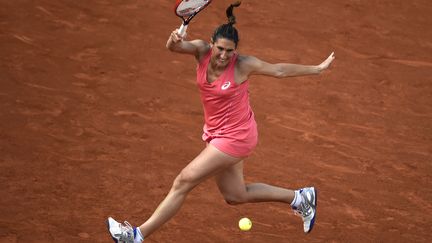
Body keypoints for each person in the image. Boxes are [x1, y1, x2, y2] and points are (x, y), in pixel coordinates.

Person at [107, 2, 335, 242]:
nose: (225, 55)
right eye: (220, 49)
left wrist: (317, 69)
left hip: (237, 136)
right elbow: (175, 47)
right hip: (216, 133)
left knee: (184, 180)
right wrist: (173, 41)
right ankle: (300, 198)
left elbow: (278, 70)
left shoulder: (243, 64)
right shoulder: (200, 50)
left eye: (230, 51)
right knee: (235, 195)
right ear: (212, 43)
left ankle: (135, 236)